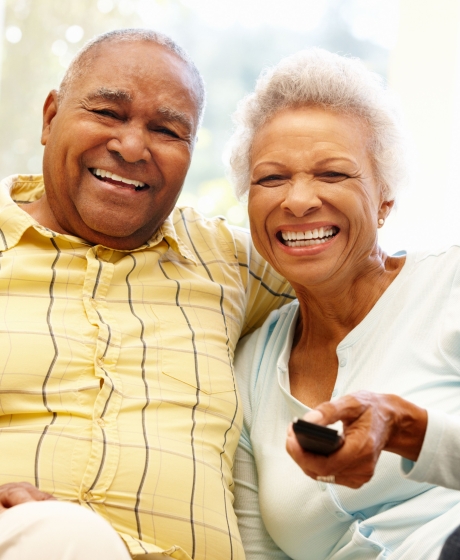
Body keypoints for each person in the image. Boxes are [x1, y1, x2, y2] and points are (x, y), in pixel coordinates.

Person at [0, 29, 294, 559]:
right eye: (108, 113)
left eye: (166, 130)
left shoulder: (229, 261)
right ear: (49, 118)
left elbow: (362, 276)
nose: (132, 147)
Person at [229, 48, 460, 560]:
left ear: (385, 197)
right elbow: (257, 550)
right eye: (271, 178)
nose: (298, 200)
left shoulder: (451, 284)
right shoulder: (250, 368)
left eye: (333, 174)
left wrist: (410, 430)